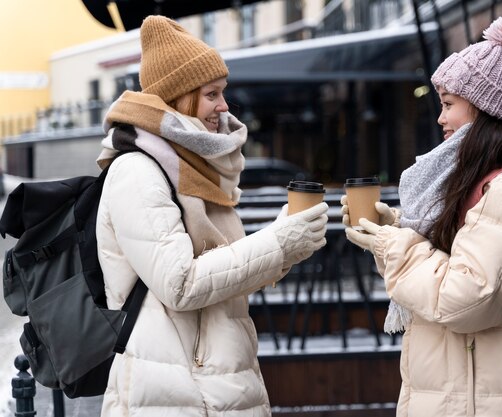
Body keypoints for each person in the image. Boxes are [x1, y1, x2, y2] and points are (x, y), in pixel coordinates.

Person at [95, 15, 328, 416]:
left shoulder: (197, 167)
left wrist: (283, 241)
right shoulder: (137, 171)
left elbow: (225, 271)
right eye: (211, 94)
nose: (223, 106)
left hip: (216, 384)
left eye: (223, 92)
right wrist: (275, 244)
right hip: (170, 392)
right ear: (179, 95)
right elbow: (180, 284)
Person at [342, 13, 502, 417]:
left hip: (479, 401)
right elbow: (446, 268)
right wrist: (392, 230)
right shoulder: (475, 183)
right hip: (454, 392)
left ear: (482, 109)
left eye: (448, 104)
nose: (441, 118)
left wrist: (397, 245)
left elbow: (467, 299)